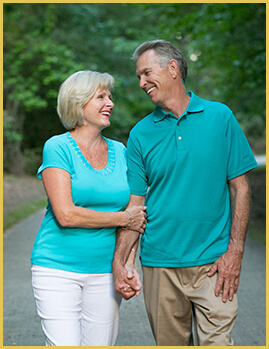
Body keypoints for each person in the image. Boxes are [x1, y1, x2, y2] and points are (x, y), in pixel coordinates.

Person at [112, 40, 258, 346]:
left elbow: (240, 187)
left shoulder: (220, 117)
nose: (141, 83)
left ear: (173, 68)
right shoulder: (140, 134)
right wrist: (121, 260)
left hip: (213, 263)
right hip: (159, 264)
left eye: (146, 73)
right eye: (139, 76)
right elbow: (135, 205)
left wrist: (236, 250)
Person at [30, 70, 147, 346]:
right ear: (78, 102)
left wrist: (127, 264)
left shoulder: (121, 151)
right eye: (101, 97)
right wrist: (122, 218)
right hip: (57, 269)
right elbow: (66, 214)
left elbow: (136, 214)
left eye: (110, 96)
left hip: (106, 272)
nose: (110, 103)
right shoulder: (57, 147)